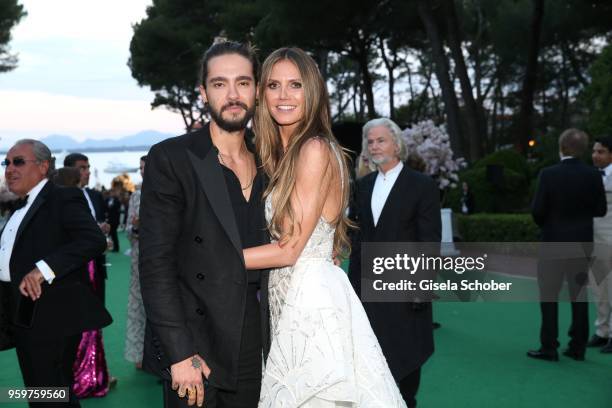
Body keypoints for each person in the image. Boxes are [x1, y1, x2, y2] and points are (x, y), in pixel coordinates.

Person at [241, 47, 405, 407]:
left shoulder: (313, 149)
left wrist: (210, 259)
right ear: (262, 94)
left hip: (310, 299)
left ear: (312, 91)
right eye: (273, 85)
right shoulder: (284, 154)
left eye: (295, 84)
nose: (283, 95)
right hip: (291, 294)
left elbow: (289, 249)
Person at [139, 41, 270, 408]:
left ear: (256, 90)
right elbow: (156, 264)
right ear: (203, 93)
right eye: (219, 83)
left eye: (243, 82)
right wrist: (180, 354)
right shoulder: (173, 158)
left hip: (258, 339)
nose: (232, 94)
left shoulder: (271, 161)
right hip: (197, 342)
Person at [0, 139, 112, 407]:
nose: (9, 168)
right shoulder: (18, 206)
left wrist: (42, 269)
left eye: (18, 162)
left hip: (51, 314)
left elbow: (92, 240)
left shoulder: (63, 197)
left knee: (49, 392)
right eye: (6, 162)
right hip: (20, 312)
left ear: (43, 166)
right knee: (43, 393)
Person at [348, 118, 441, 407]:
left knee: (405, 371)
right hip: (366, 294)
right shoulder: (362, 186)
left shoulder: (422, 186)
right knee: (370, 370)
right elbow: (357, 239)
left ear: (397, 144)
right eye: (371, 142)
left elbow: (429, 242)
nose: (375, 146)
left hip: (404, 293)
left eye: (381, 140)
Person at [529, 128, 607, 362]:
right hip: (582, 243)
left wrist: (549, 226)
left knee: (549, 296)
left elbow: (537, 211)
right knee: (579, 294)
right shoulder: (593, 175)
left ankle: (549, 346)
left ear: (561, 147)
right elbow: (600, 210)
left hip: (553, 241)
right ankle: (578, 347)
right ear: (583, 149)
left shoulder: (548, 174)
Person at [587, 136, 612, 353]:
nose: (595, 155)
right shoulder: (589, 176)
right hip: (594, 242)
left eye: (601, 151)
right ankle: (601, 331)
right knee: (598, 289)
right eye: (595, 151)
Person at [125, 156, 147, 368]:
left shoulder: (169, 191)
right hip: (139, 259)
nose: (142, 172)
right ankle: (141, 354)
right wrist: (136, 228)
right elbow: (128, 230)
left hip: (166, 259)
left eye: (146, 168)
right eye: (140, 168)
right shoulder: (136, 197)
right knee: (139, 306)